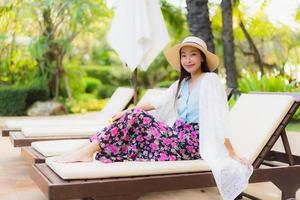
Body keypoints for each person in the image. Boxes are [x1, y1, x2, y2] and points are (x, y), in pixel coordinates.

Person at [55, 36, 252, 199]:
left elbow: (219, 118)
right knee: (135, 117)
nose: (188, 59)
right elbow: (156, 103)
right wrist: (127, 111)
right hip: (176, 136)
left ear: (202, 59)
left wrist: (231, 153)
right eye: (184, 55)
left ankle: (87, 150)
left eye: (193, 55)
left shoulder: (210, 80)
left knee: (137, 117)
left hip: (193, 143)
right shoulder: (180, 84)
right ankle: (86, 149)